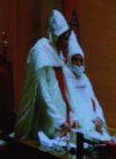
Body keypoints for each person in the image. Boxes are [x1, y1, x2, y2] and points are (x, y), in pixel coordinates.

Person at [14, 10, 73, 141]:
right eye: (64, 38)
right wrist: (59, 121)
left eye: (67, 38)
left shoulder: (58, 54)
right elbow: (42, 93)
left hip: (62, 119)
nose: (67, 43)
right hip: (46, 119)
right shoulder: (41, 51)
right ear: (55, 36)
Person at [62, 33, 113, 143]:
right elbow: (67, 102)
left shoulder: (84, 79)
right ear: (70, 60)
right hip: (77, 123)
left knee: (107, 140)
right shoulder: (65, 76)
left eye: (81, 61)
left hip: (93, 122)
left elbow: (94, 101)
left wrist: (99, 118)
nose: (78, 64)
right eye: (75, 60)